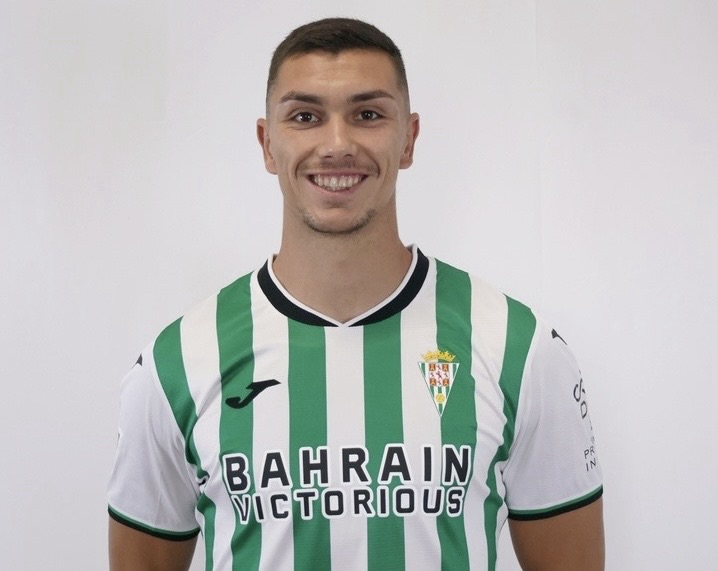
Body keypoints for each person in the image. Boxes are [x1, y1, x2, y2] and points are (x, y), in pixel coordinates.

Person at [108, 17, 604, 571]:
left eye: (368, 115)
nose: (337, 144)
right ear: (267, 144)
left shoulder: (521, 349)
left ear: (409, 138)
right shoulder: (175, 364)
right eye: (305, 117)